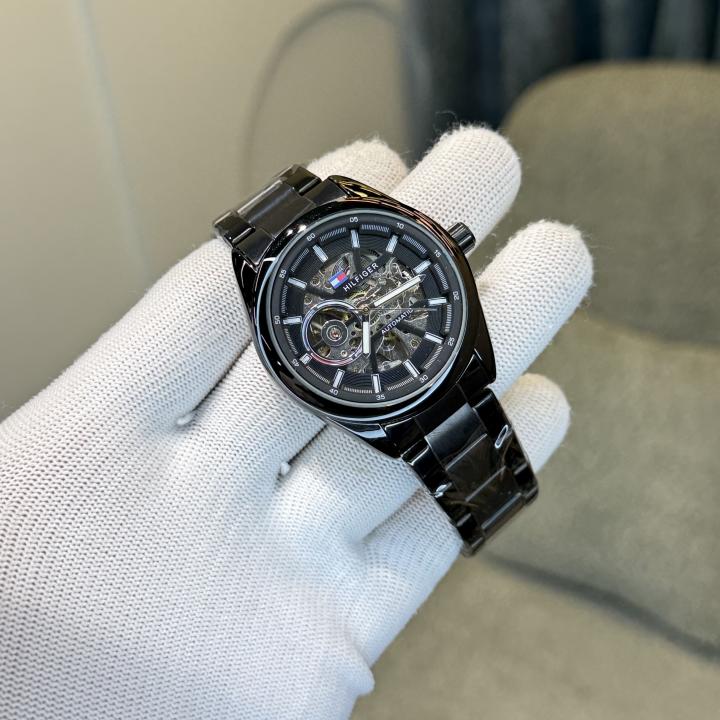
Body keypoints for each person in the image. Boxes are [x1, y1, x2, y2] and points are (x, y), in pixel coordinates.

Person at [0, 126, 592, 719]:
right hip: (393, 386)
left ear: (449, 245)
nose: (359, 320)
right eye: (339, 327)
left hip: (441, 363)